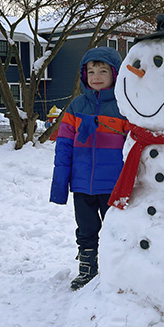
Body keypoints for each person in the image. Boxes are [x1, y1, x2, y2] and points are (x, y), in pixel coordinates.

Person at [50, 46, 127, 290]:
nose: (96, 76)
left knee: (117, 230)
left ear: (115, 74)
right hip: (82, 184)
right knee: (86, 229)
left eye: (103, 71)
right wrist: (61, 185)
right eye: (91, 71)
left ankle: (119, 269)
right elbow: (63, 148)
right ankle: (87, 267)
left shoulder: (124, 107)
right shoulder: (76, 107)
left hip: (114, 184)